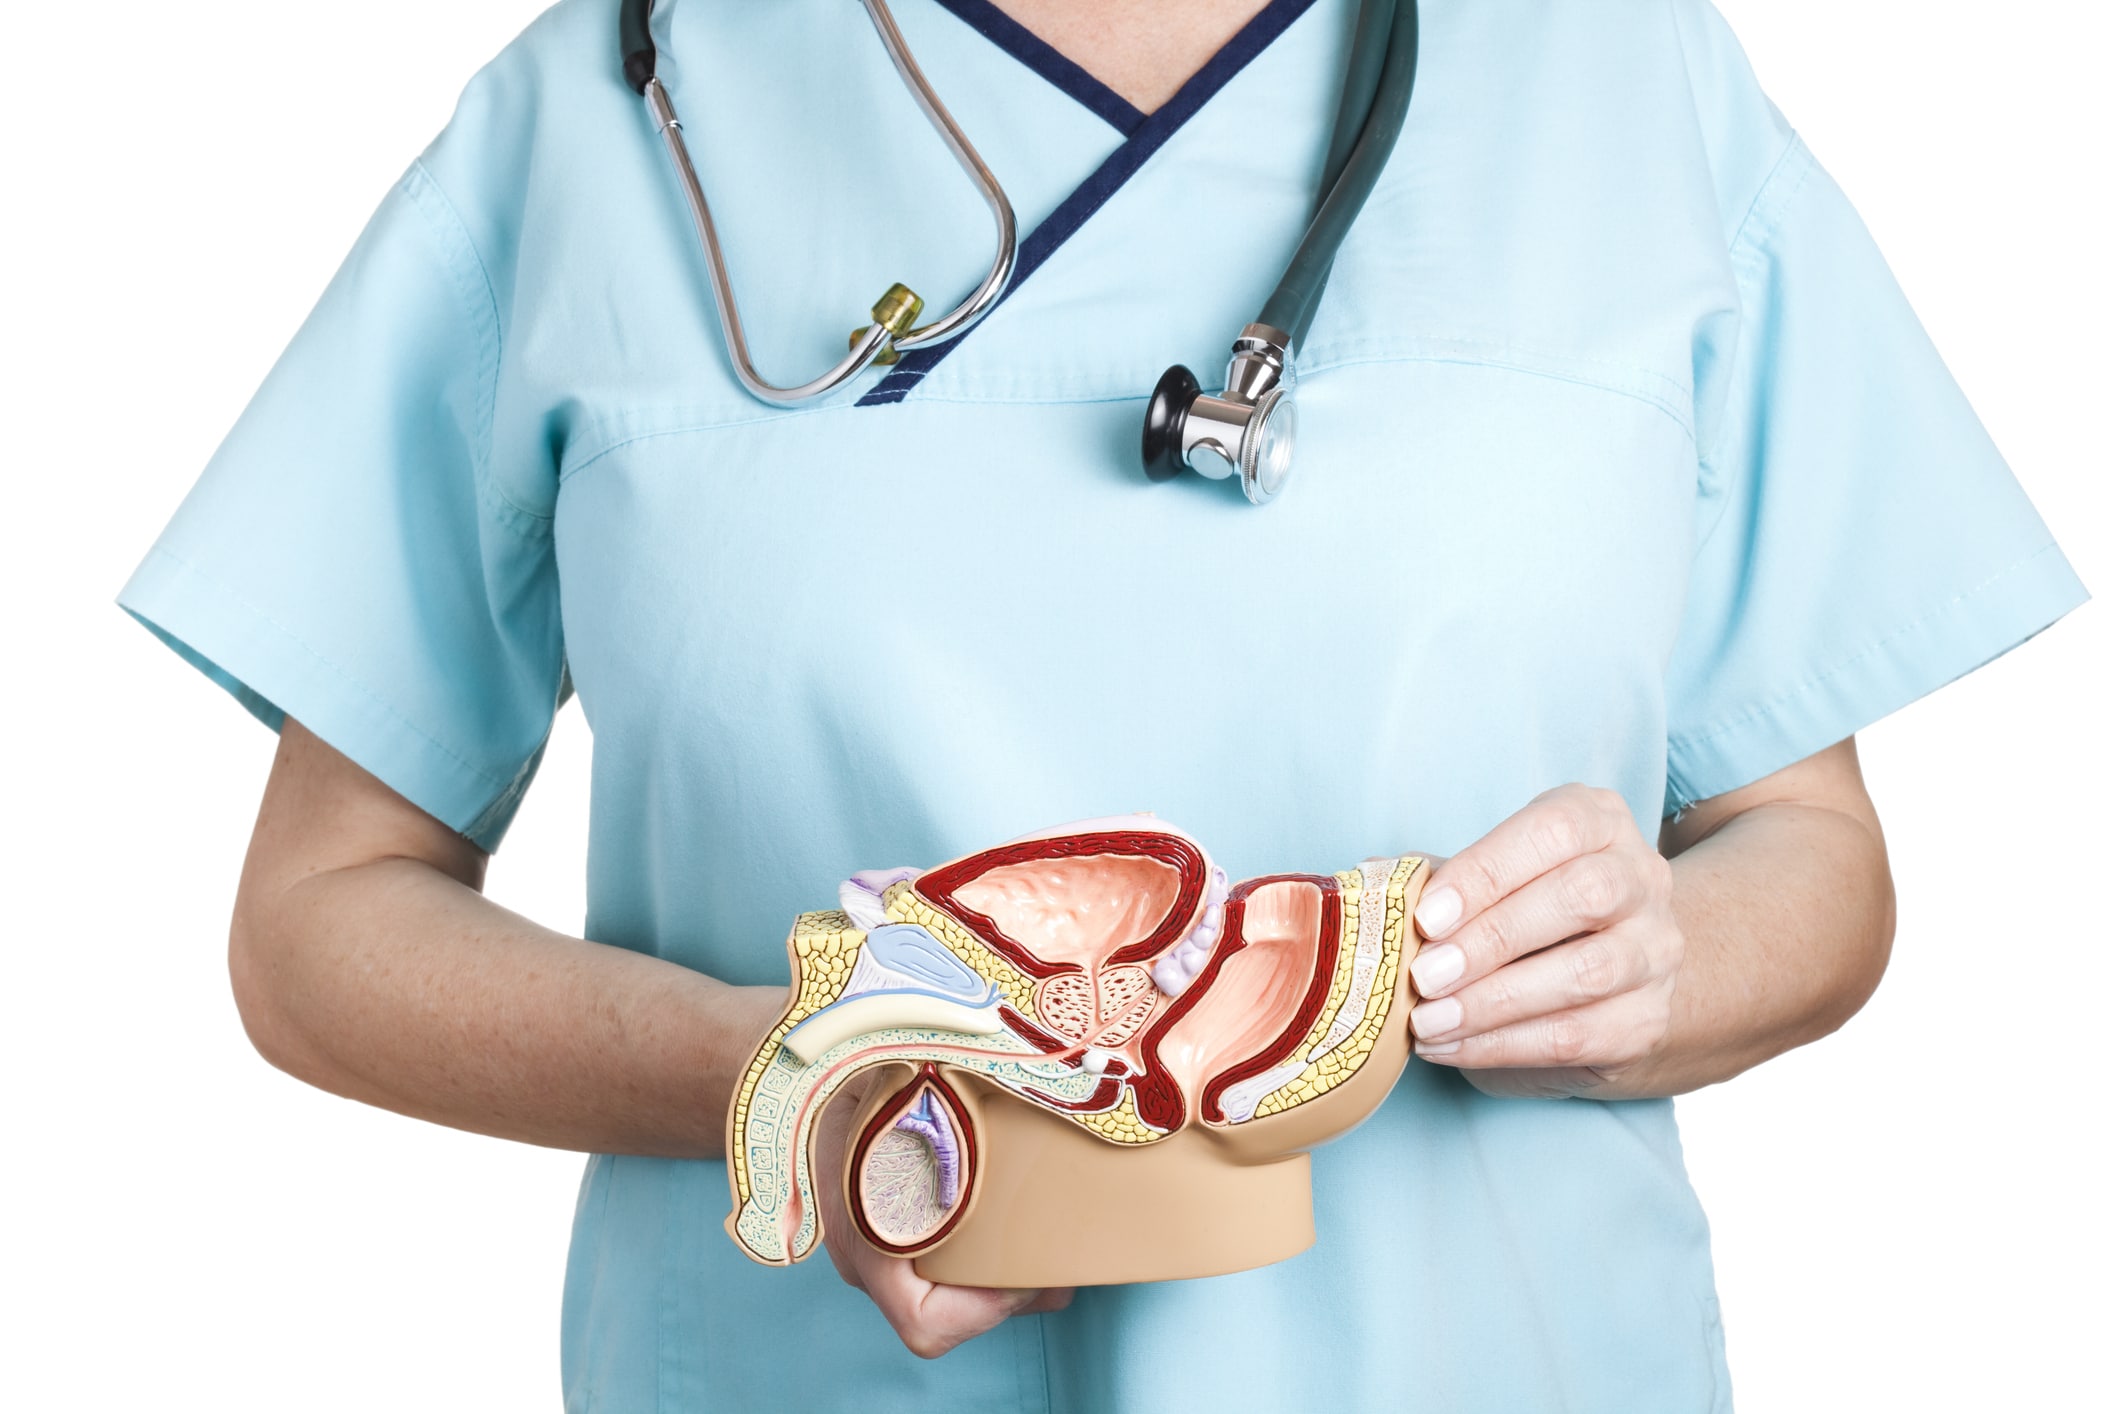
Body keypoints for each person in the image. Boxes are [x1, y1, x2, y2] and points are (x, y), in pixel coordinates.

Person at [119, 0, 2086, 1408]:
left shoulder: (1622, 82)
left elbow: (1808, 858)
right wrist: (770, 1070)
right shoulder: (612, 111)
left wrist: (1664, 954)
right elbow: (319, 920)